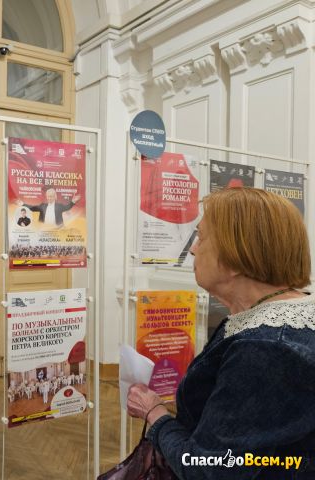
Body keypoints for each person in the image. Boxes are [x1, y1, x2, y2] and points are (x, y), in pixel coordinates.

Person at [127, 187, 315, 479]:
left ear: (235, 257)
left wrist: (155, 414)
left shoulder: (268, 348)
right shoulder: (268, 318)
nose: (193, 249)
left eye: (201, 237)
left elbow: (211, 469)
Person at [16, 188, 81, 226]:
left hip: (56, 231)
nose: (49, 198)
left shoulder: (59, 206)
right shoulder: (43, 206)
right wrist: (22, 204)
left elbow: (67, 207)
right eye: (48, 196)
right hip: (44, 231)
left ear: (55, 197)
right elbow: (32, 208)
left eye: (51, 196)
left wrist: (73, 201)